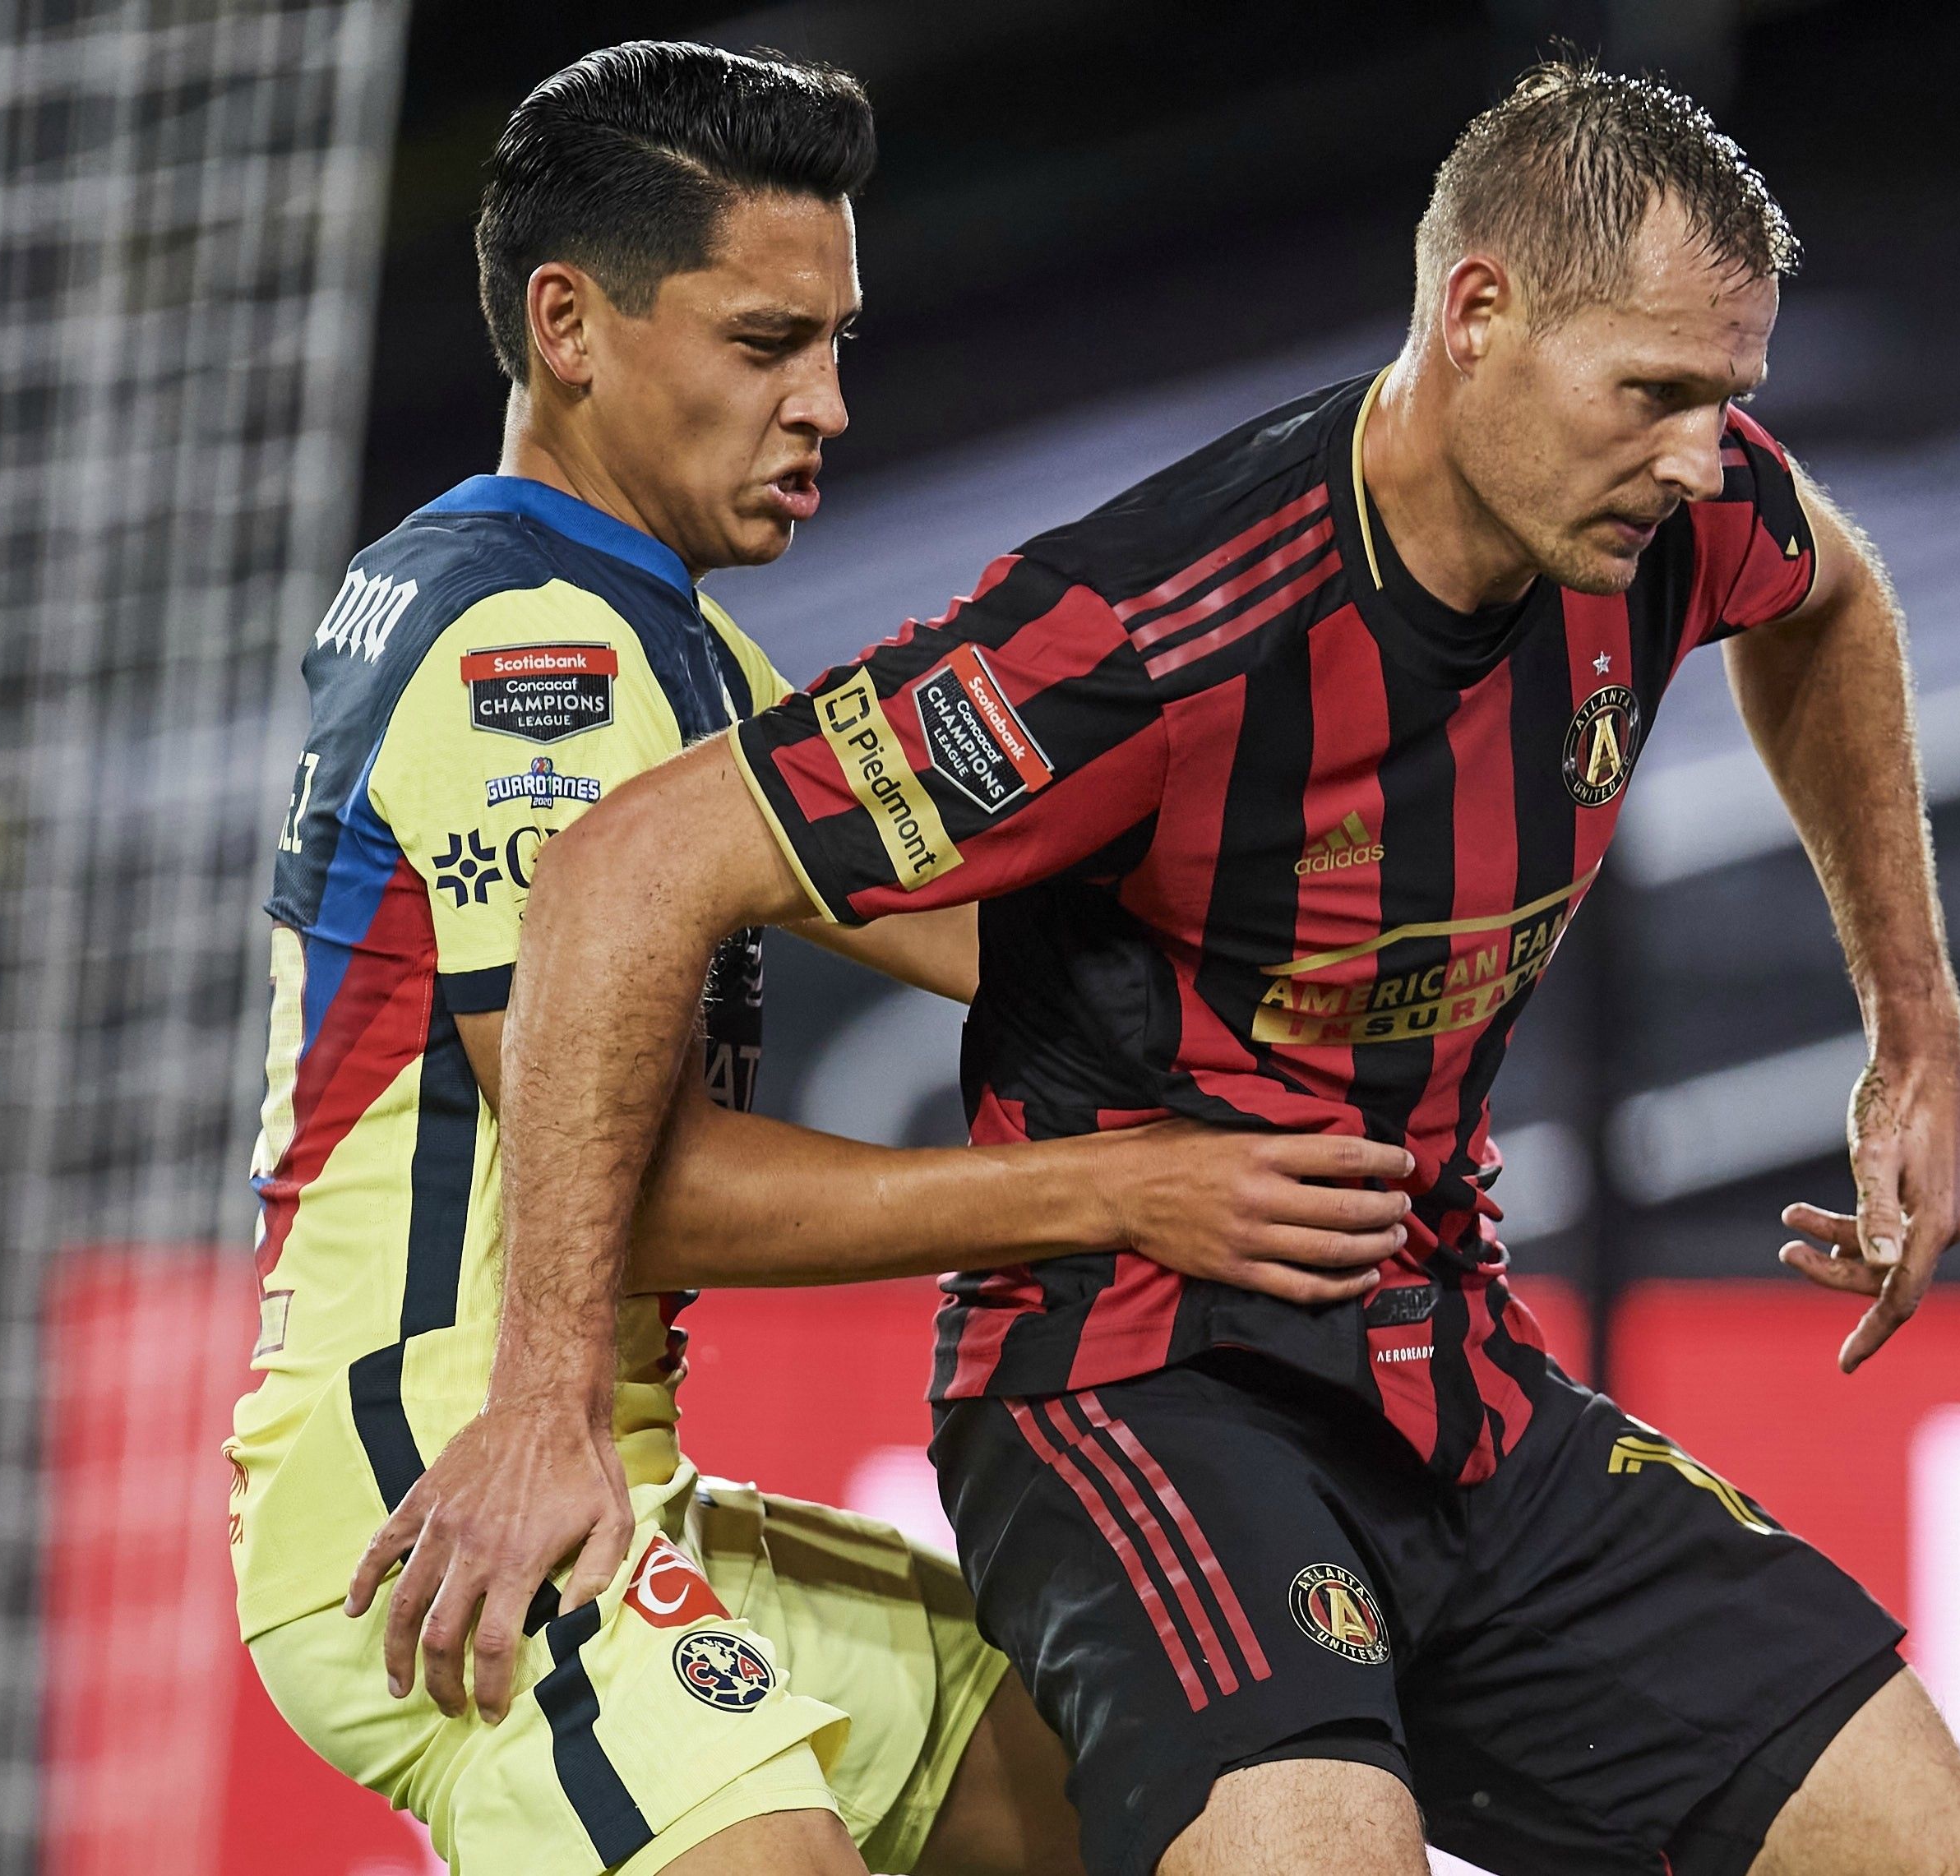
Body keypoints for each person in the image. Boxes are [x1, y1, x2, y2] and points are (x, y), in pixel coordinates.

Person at [459, 61, 1960, 1876]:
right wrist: (544, 1401)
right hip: (1132, 1393)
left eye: (1728, 401)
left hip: (1446, 1370)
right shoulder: (1139, 635)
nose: (1703, 457)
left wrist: (1911, 1030)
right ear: (1475, 315)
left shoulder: (1669, 516)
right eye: (1658, 396)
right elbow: (622, 868)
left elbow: (1825, 595)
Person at [252, 44, 1420, 1876]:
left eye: (838, 345)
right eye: (761, 344)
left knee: (1129, 1785)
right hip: (446, 1485)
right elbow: (637, 1191)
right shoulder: (526, 658)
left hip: (625, 1487)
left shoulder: (670, 648)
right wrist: (1123, 1190)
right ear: (569, 325)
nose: (826, 406)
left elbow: (968, 923)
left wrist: (1347, 924)